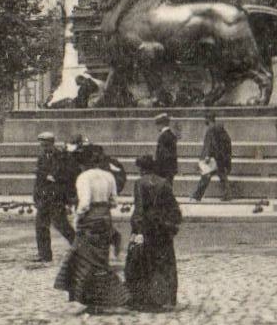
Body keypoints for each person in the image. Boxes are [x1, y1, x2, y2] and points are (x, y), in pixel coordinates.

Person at [54, 144, 129, 314]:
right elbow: (114, 201)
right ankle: (99, 298)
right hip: (105, 218)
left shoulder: (84, 177)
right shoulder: (109, 176)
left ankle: (89, 297)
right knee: (99, 259)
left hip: (89, 219)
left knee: (81, 259)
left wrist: (77, 219)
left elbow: (85, 202)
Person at [125, 155, 182, 312]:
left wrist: (137, 230)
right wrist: (171, 226)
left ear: (141, 169)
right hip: (162, 228)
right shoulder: (164, 182)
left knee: (141, 262)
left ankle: (143, 298)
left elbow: (140, 209)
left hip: (147, 228)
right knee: (164, 262)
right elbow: (174, 208)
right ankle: (166, 297)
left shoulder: (139, 183)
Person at [31, 131, 76, 265]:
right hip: (44, 197)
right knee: (41, 226)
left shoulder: (62, 156)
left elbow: (69, 176)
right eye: (42, 145)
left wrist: (55, 178)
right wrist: (36, 195)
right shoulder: (42, 157)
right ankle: (45, 255)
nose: (44, 148)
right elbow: (39, 178)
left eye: (46, 145)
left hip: (57, 197)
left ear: (52, 143)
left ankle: (80, 250)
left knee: (61, 225)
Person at [191, 111, 233, 203]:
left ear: (207, 119)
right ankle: (227, 195)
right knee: (222, 176)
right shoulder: (220, 128)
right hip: (220, 157)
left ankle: (197, 196)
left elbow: (210, 144)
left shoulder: (211, 129)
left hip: (212, 158)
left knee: (205, 177)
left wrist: (208, 156)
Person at [154, 114, 179, 184]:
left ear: (161, 124)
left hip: (164, 169)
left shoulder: (163, 136)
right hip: (171, 168)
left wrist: (157, 167)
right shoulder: (171, 135)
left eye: (157, 124)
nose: (156, 127)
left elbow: (162, 154)